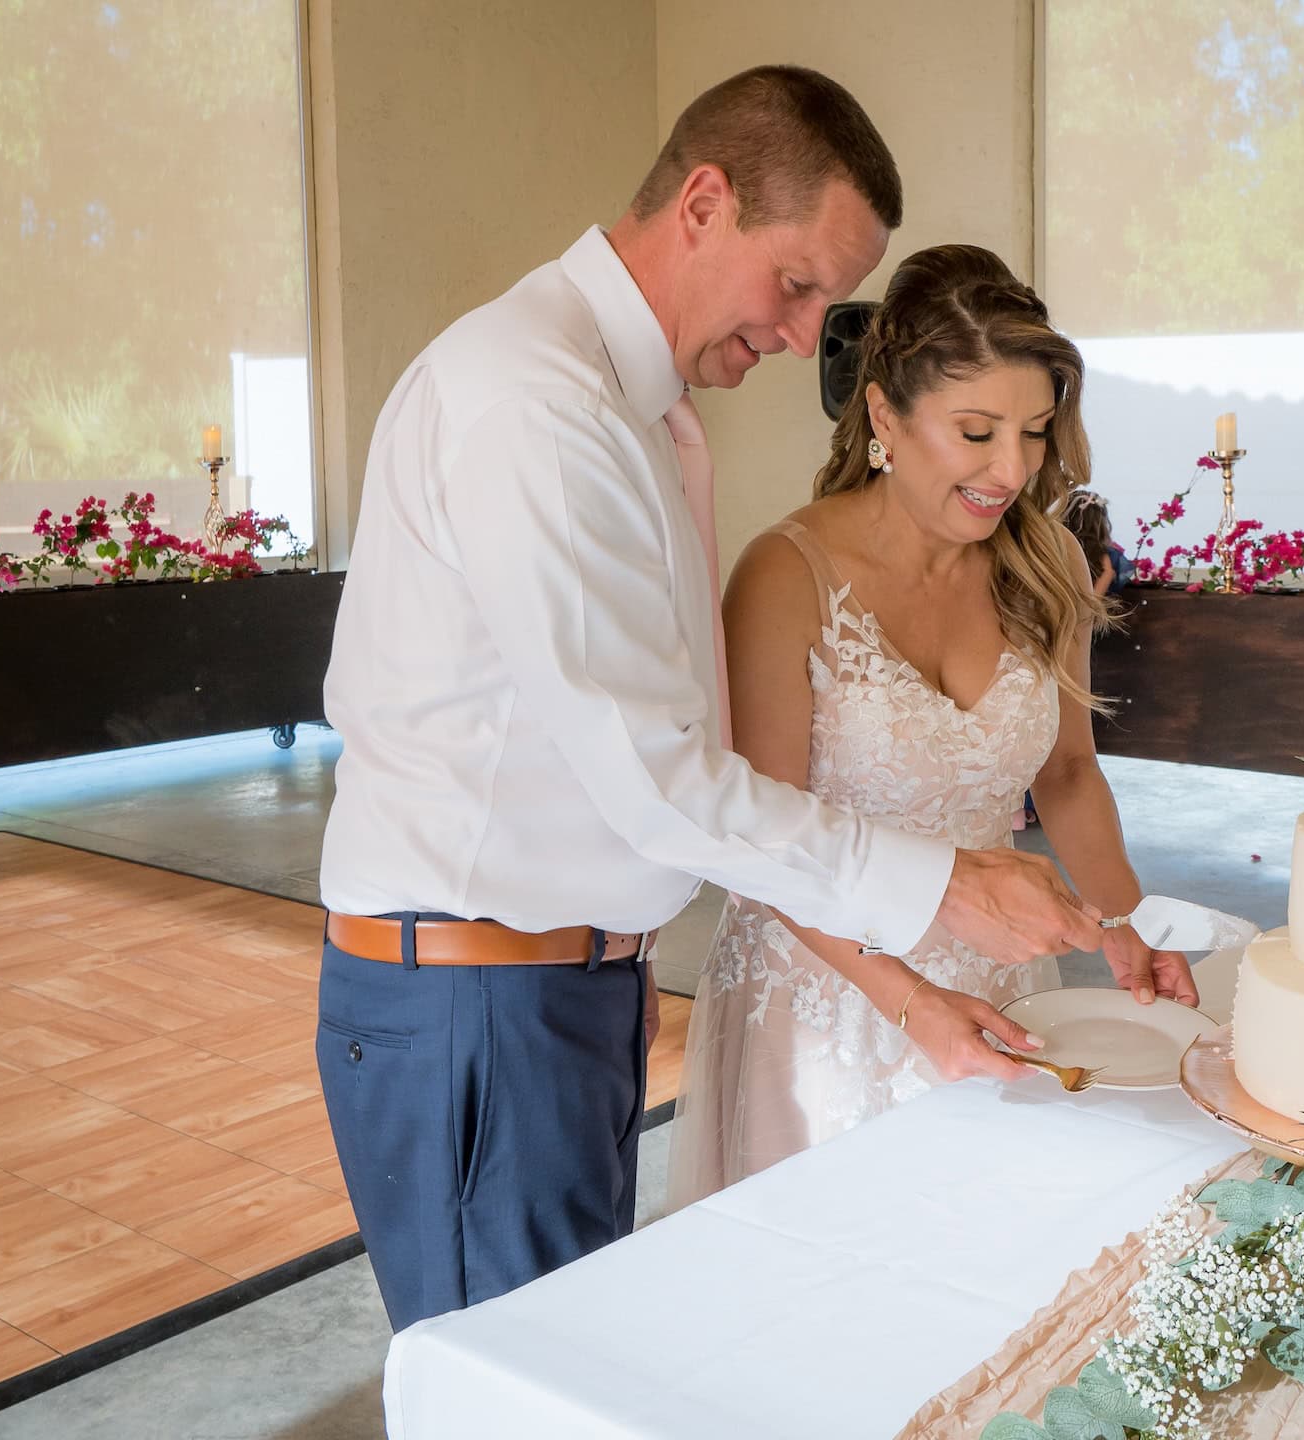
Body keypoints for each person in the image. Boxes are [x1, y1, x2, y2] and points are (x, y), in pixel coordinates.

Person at [313, 67, 1102, 1334]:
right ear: (703, 202)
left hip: (563, 992)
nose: (803, 339)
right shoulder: (537, 405)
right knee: (515, 1401)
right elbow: (664, 785)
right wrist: (950, 887)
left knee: (578, 1368)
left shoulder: (631, 407)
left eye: (825, 303)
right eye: (794, 285)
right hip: (478, 1000)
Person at [667, 245, 1200, 1205]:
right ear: (885, 415)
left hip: (998, 988)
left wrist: (1123, 922)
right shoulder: (785, 576)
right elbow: (762, 836)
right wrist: (906, 1004)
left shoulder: (1049, 572)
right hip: (824, 992)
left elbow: (1069, 775)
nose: (1012, 469)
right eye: (976, 430)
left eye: (1034, 433)